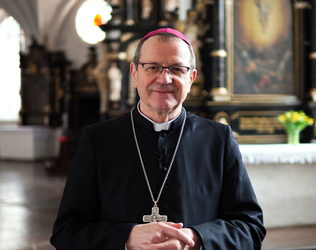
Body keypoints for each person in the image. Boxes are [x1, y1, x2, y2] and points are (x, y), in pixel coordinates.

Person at [50, 28, 265, 249]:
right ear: (134, 73)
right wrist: (126, 238)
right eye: (152, 67)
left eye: (176, 69)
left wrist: (197, 238)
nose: (164, 78)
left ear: (191, 78)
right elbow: (67, 231)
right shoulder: (98, 140)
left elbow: (250, 227)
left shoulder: (218, 140)